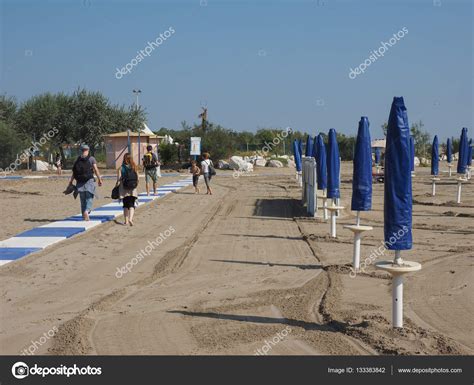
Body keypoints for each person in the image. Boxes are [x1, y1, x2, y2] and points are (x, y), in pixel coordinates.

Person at [67, 144, 103, 221]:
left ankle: (84, 217)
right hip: (89, 181)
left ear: (81, 150)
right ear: (88, 150)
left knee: (82, 200)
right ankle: (87, 211)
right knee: (89, 198)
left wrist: (70, 181)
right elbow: (96, 170)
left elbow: (74, 172)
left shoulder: (78, 159)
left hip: (79, 182)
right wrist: (99, 179)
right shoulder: (91, 158)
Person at [116, 153, 139, 226]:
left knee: (125, 205)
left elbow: (119, 179)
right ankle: (130, 219)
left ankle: (126, 221)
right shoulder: (134, 166)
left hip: (124, 189)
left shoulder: (121, 168)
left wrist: (117, 185)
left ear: (124, 159)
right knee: (132, 204)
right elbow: (138, 178)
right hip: (132, 189)